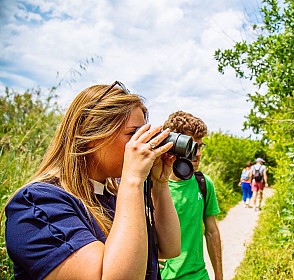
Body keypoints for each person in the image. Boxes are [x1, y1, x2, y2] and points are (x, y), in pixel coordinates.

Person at [4, 81, 181, 279]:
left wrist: (160, 184)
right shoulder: (37, 205)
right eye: (133, 134)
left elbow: (170, 247)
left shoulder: (113, 196)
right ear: (91, 135)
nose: (143, 143)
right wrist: (133, 180)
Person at [160, 111, 223, 280]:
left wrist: (219, 275)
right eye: (192, 146)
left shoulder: (204, 183)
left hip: (199, 275)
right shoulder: (149, 187)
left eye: (200, 146)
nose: (199, 154)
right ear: (173, 144)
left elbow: (212, 232)